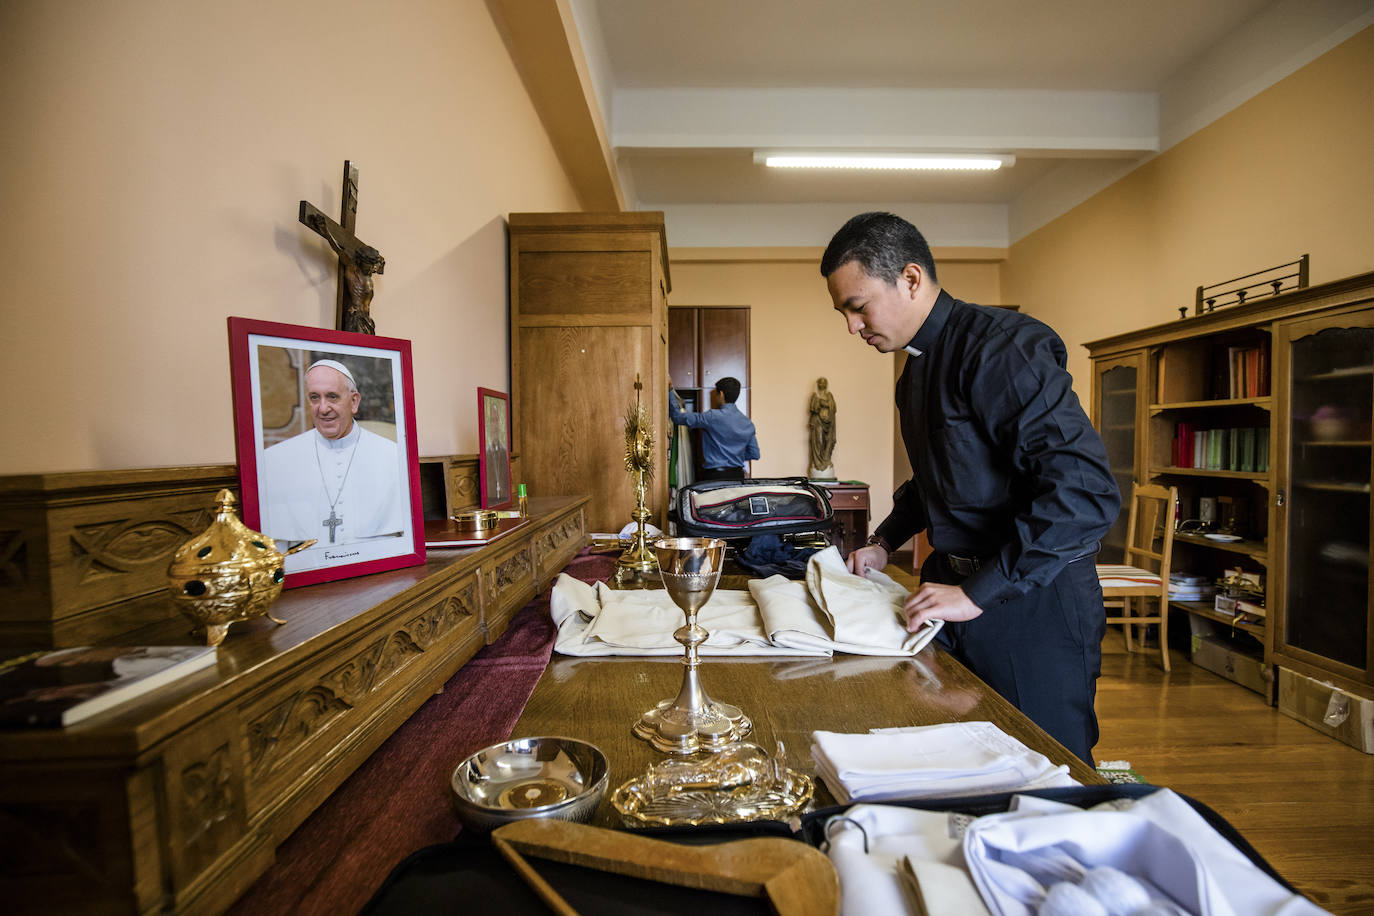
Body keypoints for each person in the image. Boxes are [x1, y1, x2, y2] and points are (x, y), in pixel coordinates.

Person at [822, 212, 1120, 764]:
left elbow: (1085, 493)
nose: (852, 327)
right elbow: (936, 478)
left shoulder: (1004, 348)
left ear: (910, 279)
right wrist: (884, 543)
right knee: (961, 760)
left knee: (1045, 767)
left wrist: (976, 594)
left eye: (858, 306)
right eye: (843, 312)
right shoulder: (913, 379)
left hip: (1034, 602)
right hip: (952, 596)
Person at [260, 359, 405, 546]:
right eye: (314, 397)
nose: (323, 408)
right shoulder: (276, 460)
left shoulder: (393, 456)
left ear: (354, 402)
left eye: (332, 397)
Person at [667, 375, 760, 480]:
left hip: (716, 477)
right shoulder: (748, 423)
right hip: (738, 476)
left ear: (721, 394)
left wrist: (670, 389)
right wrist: (735, 456)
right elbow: (755, 454)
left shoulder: (712, 417)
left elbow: (678, 417)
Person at [808, 377, 837, 478]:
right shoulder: (815, 395)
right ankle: (818, 463)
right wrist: (819, 403)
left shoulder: (829, 395)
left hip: (828, 424)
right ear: (818, 384)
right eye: (820, 383)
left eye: (824, 383)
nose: (822, 385)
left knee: (827, 442)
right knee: (818, 441)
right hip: (817, 422)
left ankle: (826, 461)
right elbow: (812, 408)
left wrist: (825, 404)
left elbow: (833, 408)